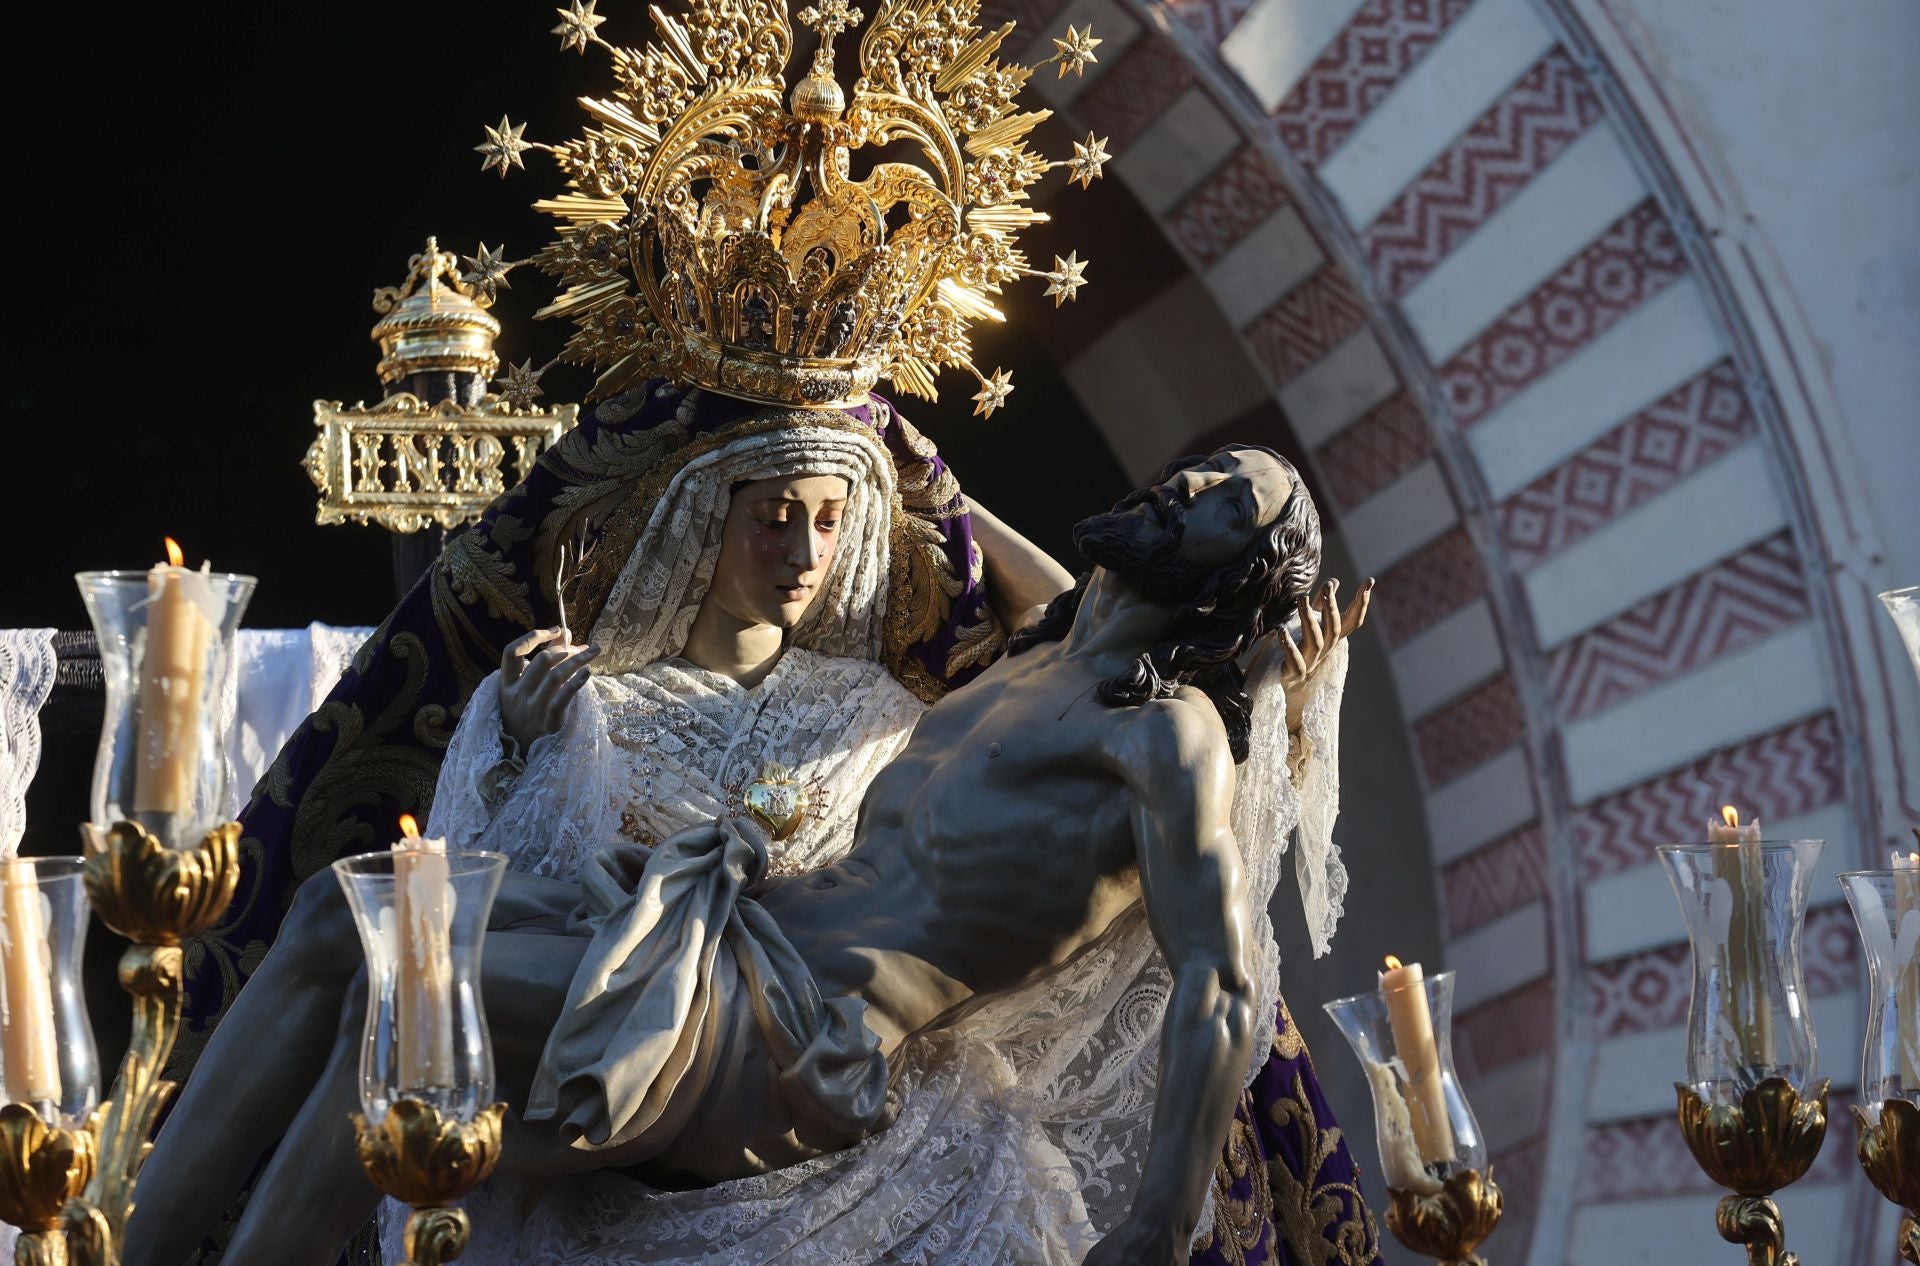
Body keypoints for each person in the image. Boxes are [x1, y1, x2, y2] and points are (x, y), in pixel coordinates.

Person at [129, 445, 1369, 1265]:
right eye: (1206, 467)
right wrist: (898, 440)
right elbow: (1037, 568)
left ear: (1237, 578)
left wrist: (1157, 1224)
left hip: (789, 1038)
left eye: (1226, 501)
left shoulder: (1166, 733)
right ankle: (117, 1242)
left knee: (404, 993)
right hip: (726, 933)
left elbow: (1220, 981)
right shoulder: (1047, 657)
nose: (1189, 482)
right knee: (341, 921)